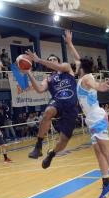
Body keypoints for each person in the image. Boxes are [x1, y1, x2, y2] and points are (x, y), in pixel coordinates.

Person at [25, 30, 80, 169]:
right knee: (48, 111)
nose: (51, 62)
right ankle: (38, 146)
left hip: (71, 108)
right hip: (58, 103)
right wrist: (29, 73)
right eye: (49, 61)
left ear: (58, 61)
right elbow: (39, 89)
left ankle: (52, 154)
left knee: (63, 142)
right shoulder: (48, 78)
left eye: (53, 60)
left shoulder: (67, 68)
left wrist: (69, 43)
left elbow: (61, 66)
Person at [77, 58, 109, 198]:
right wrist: (69, 42)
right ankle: (106, 183)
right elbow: (76, 56)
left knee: (106, 151)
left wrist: (102, 86)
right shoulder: (81, 78)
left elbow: (96, 85)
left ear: (80, 67)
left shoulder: (87, 77)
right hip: (91, 120)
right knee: (99, 153)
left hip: (97, 118)